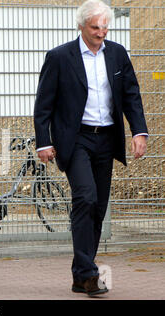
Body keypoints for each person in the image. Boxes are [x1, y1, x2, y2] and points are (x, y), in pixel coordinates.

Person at [33, 0, 148, 296]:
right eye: (95, 27)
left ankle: (79, 274)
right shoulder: (60, 57)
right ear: (81, 26)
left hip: (107, 138)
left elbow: (132, 94)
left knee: (97, 206)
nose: (101, 32)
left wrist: (139, 131)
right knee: (84, 197)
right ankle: (88, 273)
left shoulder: (118, 54)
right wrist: (44, 141)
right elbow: (43, 104)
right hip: (76, 139)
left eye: (105, 26)